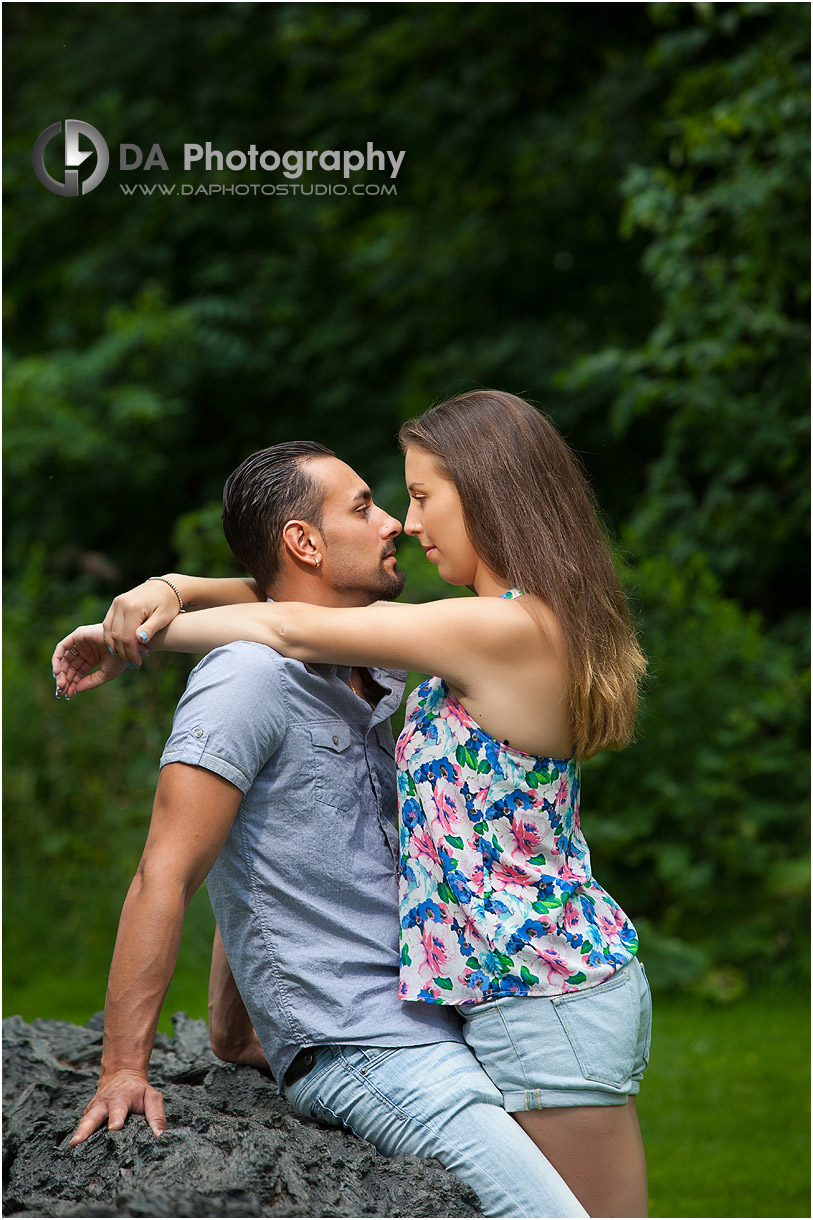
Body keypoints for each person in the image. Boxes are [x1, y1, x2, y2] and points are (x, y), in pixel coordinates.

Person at [56, 391, 651, 1216]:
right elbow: (306, 612)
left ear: (484, 494)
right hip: (532, 984)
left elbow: (298, 623)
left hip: (542, 994)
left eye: (415, 496)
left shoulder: (487, 630)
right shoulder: (474, 627)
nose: (402, 524)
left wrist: (140, 634)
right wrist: (178, 585)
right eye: (379, 503)